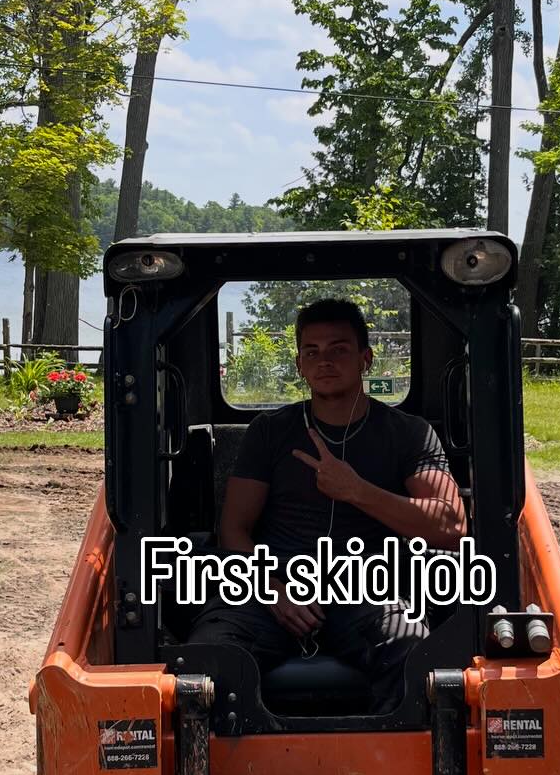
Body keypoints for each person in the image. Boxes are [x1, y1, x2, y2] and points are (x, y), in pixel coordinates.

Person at [188, 298, 465, 713]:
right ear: (299, 364)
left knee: (413, 652)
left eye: (339, 349)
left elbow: (450, 524)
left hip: (368, 590)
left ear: (365, 359)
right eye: (312, 352)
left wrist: (356, 490)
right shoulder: (269, 432)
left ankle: (398, 767)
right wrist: (272, 590)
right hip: (273, 588)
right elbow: (234, 531)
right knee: (207, 658)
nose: (325, 361)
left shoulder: (408, 433)